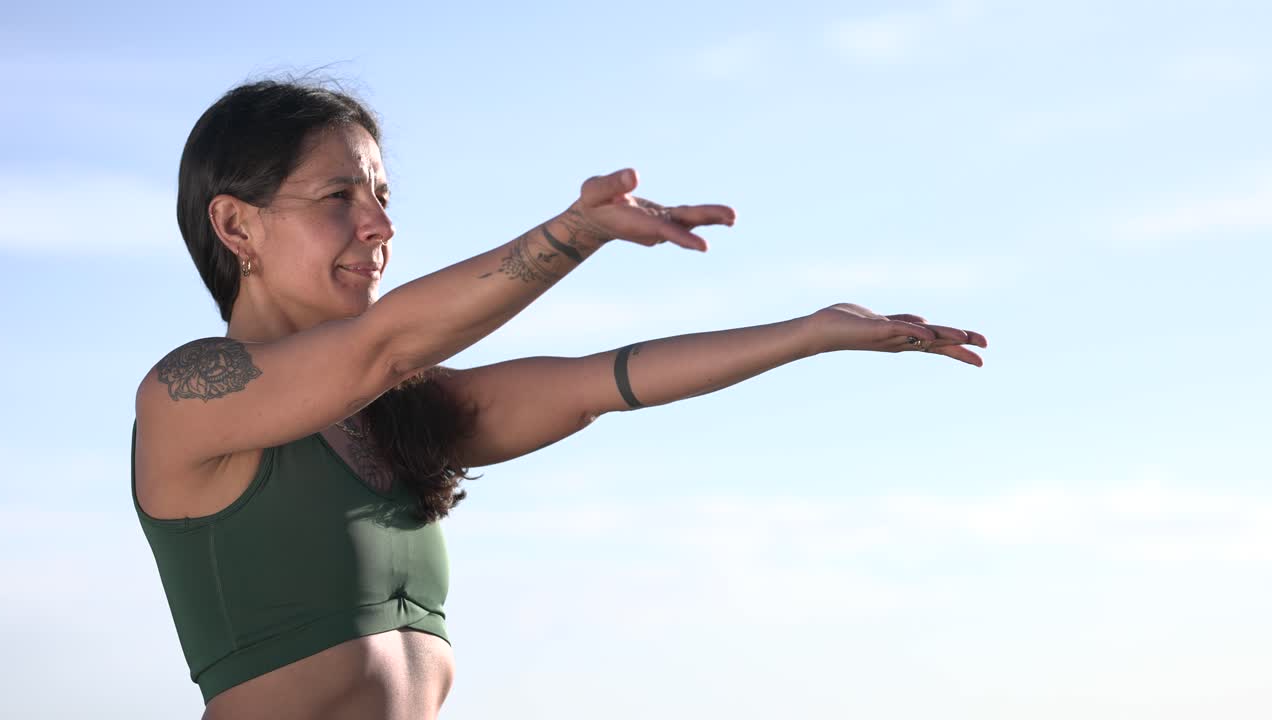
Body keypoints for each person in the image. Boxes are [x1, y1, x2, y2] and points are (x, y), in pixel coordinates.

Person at [131, 78, 988, 720]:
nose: (380, 225)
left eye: (383, 196)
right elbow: (387, 341)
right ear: (237, 226)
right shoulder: (186, 397)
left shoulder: (394, 412)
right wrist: (577, 232)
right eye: (340, 196)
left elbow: (595, 386)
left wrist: (807, 334)